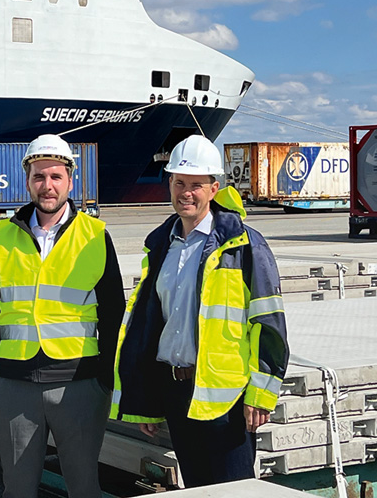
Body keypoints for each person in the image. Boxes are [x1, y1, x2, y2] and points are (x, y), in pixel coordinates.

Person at [110, 135, 289, 487]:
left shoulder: (243, 245)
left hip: (227, 398)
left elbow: (268, 323)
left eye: (196, 185)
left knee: (233, 492)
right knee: (194, 490)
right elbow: (152, 325)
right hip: (176, 392)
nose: (186, 192)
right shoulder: (161, 244)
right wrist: (147, 400)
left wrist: (261, 395)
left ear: (214, 188)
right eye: (179, 182)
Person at [0, 134, 126, 498]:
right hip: (13, 385)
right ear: (27, 180)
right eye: (39, 176)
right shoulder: (3, 237)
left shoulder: (95, 236)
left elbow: (113, 310)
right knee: (18, 490)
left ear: (70, 180)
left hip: (80, 384)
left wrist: (104, 377)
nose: (47, 185)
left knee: (84, 487)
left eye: (55, 176)